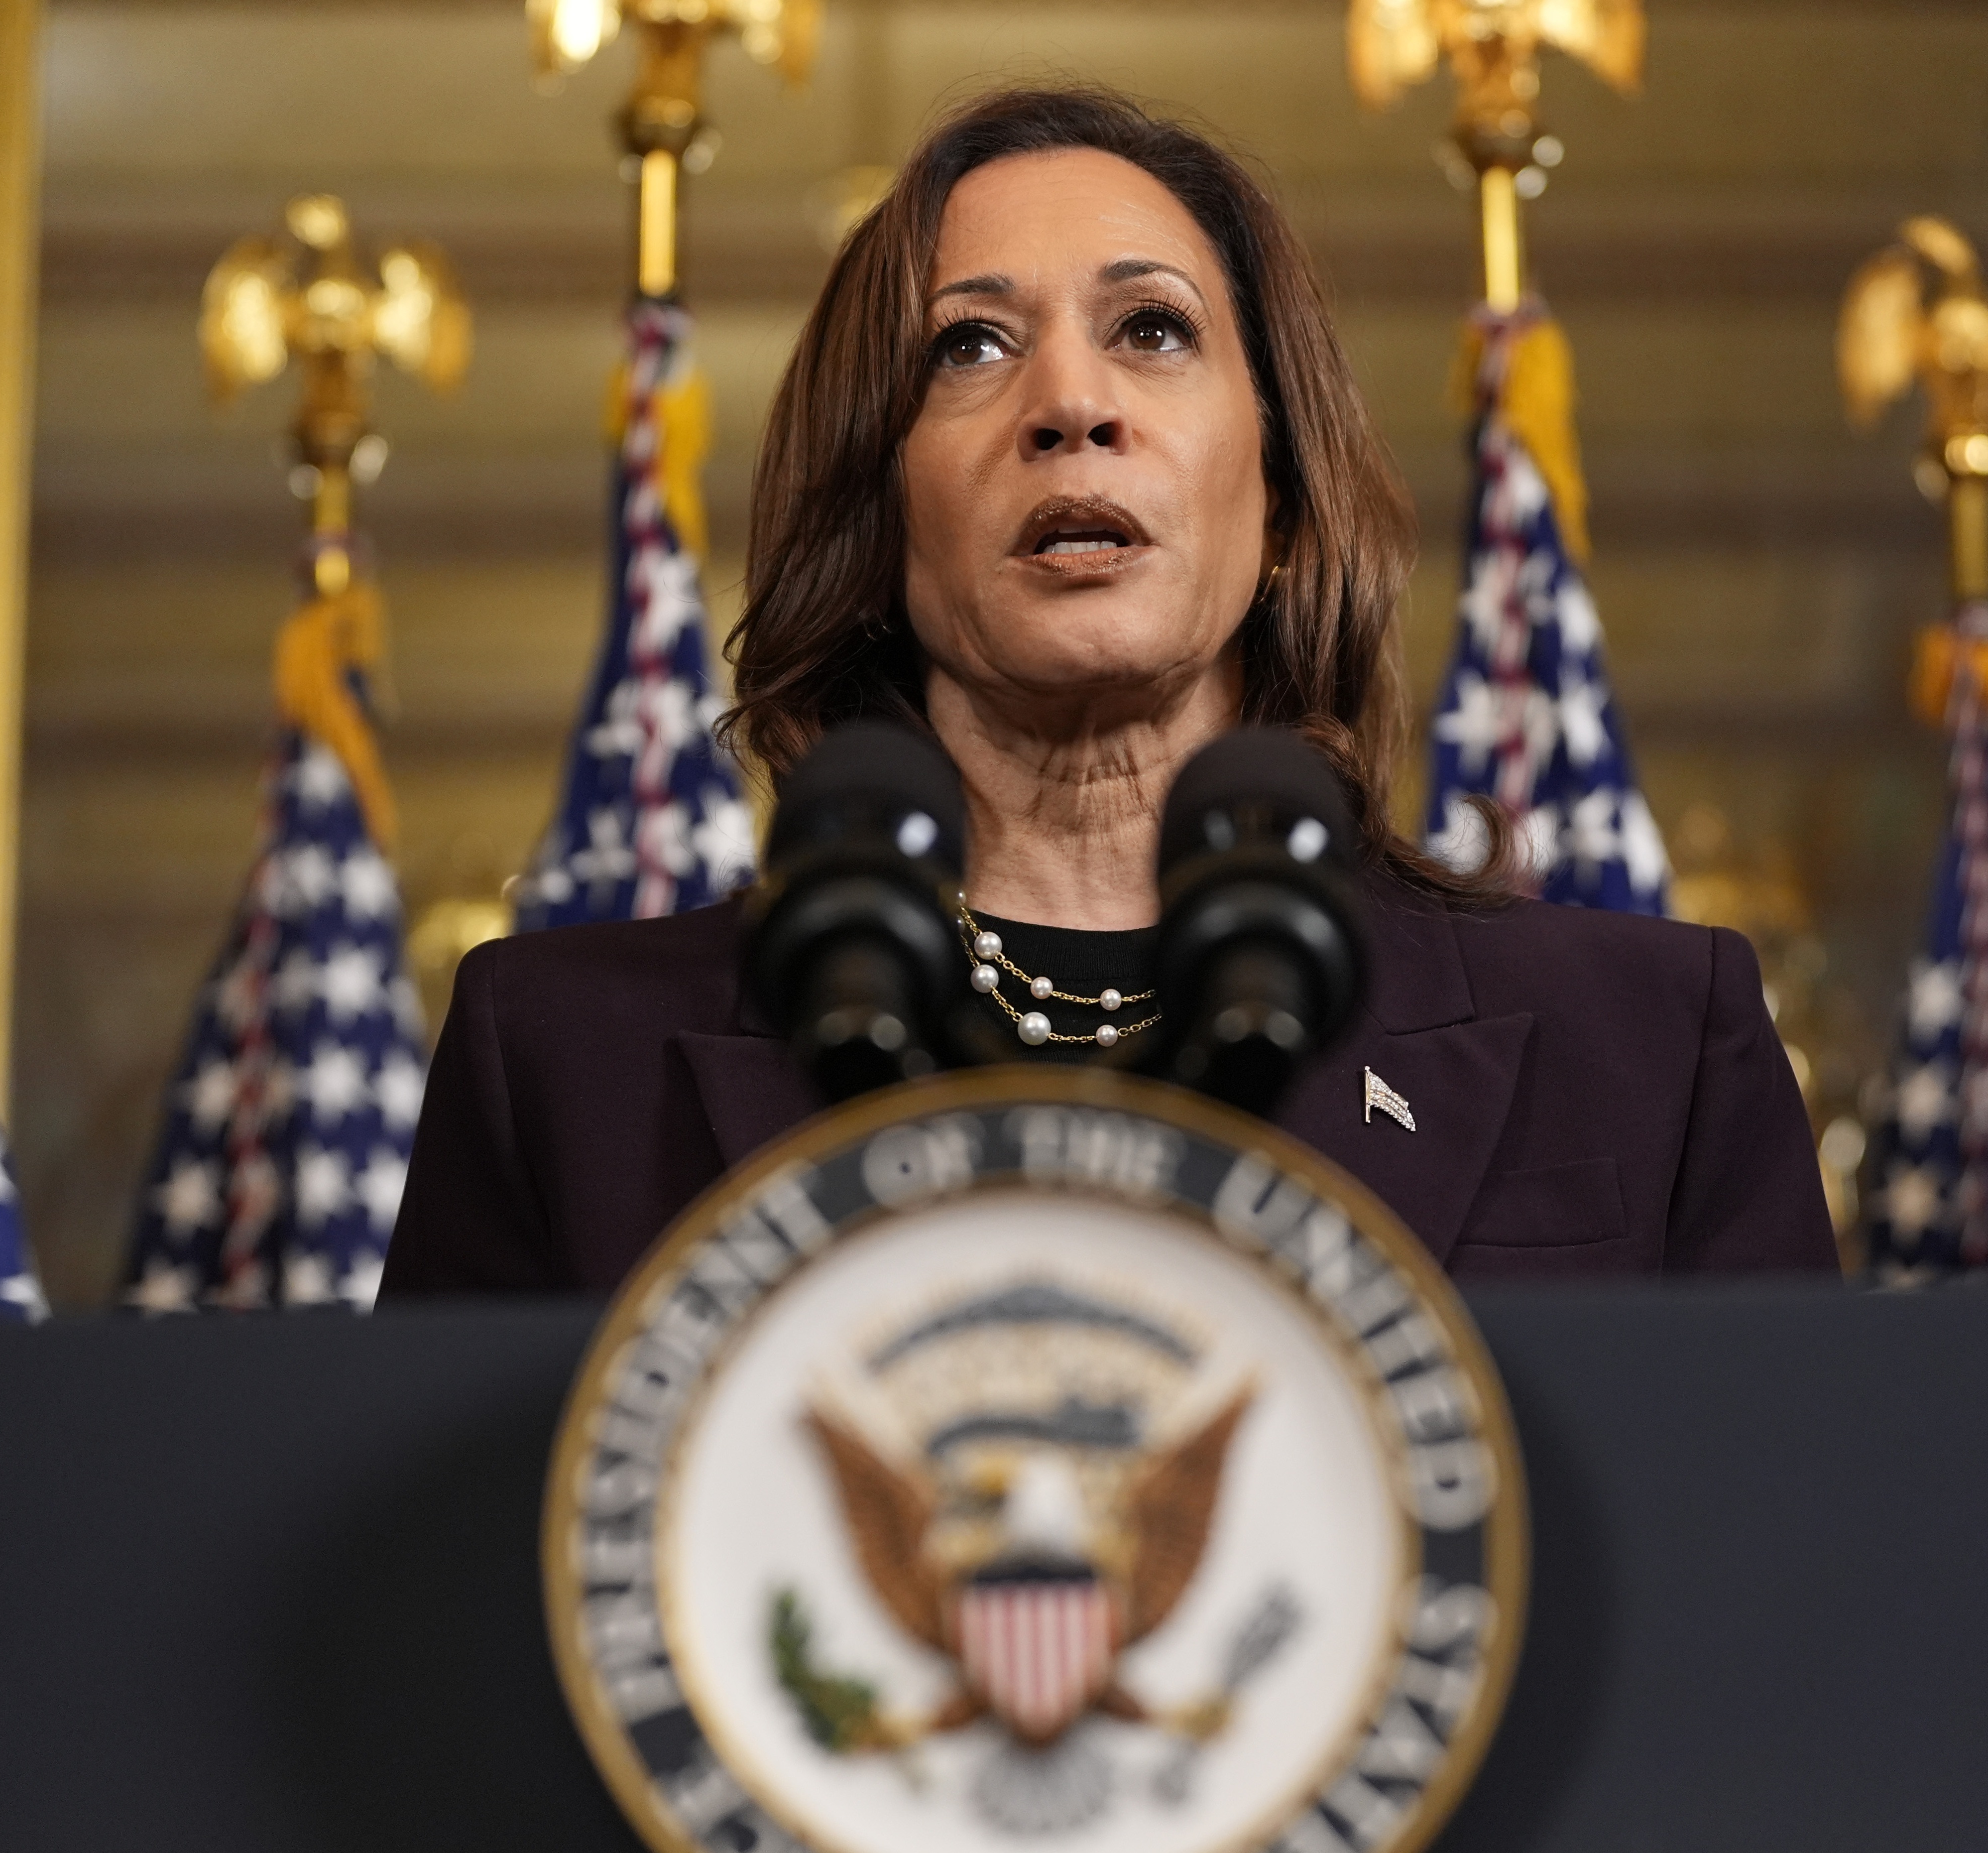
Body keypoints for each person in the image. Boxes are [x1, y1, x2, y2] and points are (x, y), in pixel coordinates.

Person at [380, 85, 1837, 1299]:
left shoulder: (1651, 1044)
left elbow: (1782, 1591)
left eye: (1152, 328)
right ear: (879, 516)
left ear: (1281, 490)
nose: (1072, 406)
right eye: (971, 346)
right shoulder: (563, 1068)